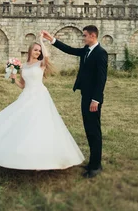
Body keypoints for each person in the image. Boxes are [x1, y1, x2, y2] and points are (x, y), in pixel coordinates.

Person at [0, 35, 84, 170]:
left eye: (39, 51)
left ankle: (39, 158)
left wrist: (41, 41)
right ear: (29, 51)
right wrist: (13, 78)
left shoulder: (41, 64)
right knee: (16, 120)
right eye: (35, 50)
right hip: (26, 95)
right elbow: (23, 85)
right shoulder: (23, 66)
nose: (38, 52)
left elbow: (46, 56)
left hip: (40, 96)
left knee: (39, 124)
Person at [41, 26, 108, 178]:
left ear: (92, 36)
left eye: (84, 36)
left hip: (93, 100)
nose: (83, 38)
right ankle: (92, 162)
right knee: (88, 129)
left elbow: (101, 79)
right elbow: (70, 50)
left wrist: (95, 100)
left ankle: (96, 166)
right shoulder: (86, 50)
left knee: (94, 131)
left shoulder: (100, 53)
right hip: (85, 95)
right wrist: (52, 39)